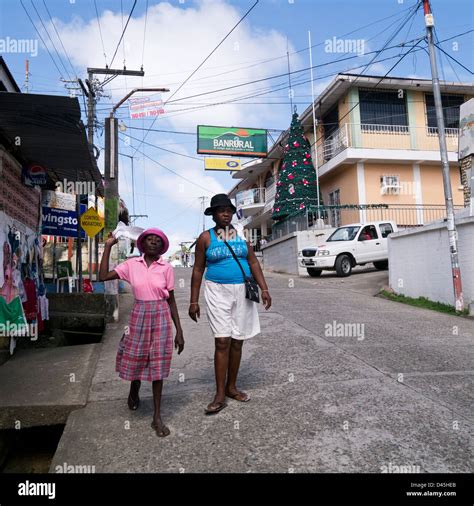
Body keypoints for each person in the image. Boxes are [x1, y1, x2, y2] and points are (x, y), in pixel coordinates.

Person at [189, 194, 272, 414]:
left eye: (228, 210)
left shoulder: (242, 235)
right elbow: (198, 270)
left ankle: (231, 387)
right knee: (222, 340)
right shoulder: (205, 238)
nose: (225, 213)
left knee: (238, 340)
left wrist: (264, 288)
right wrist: (193, 300)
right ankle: (219, 393)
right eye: (220, 210)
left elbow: (253, 261)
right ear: (214, 214)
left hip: (243, 290)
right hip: (217, 291)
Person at [99, 228, 184, 437]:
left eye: (157, 240)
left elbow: (171, 300)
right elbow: (102, 276)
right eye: (149, 239)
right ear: (142, 245)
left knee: (158, 363)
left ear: (161, 246)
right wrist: (108, 246)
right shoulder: (131, 265)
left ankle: (157, 417)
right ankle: (134, 388)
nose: (153, 242)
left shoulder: (166, 268)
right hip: (139, 314)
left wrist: (179, 330)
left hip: (161, 314)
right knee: (136, 357)